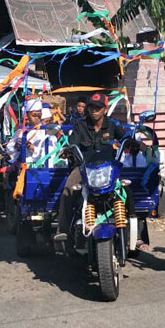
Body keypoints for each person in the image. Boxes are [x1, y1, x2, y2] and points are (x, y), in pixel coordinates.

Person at [55, 92, 125, 242]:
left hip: (108, 170)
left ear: (105, 109)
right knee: (68, 189)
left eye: (98, 108)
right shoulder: (80, 125)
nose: (94, 111)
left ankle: (136, 233)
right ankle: (63, 230)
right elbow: (72, 143)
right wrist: (67, 150)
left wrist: (136, 143)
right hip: (84, 168)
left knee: (127, 190)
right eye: (91, 107)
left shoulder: (112, 125)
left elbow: (126, 137)